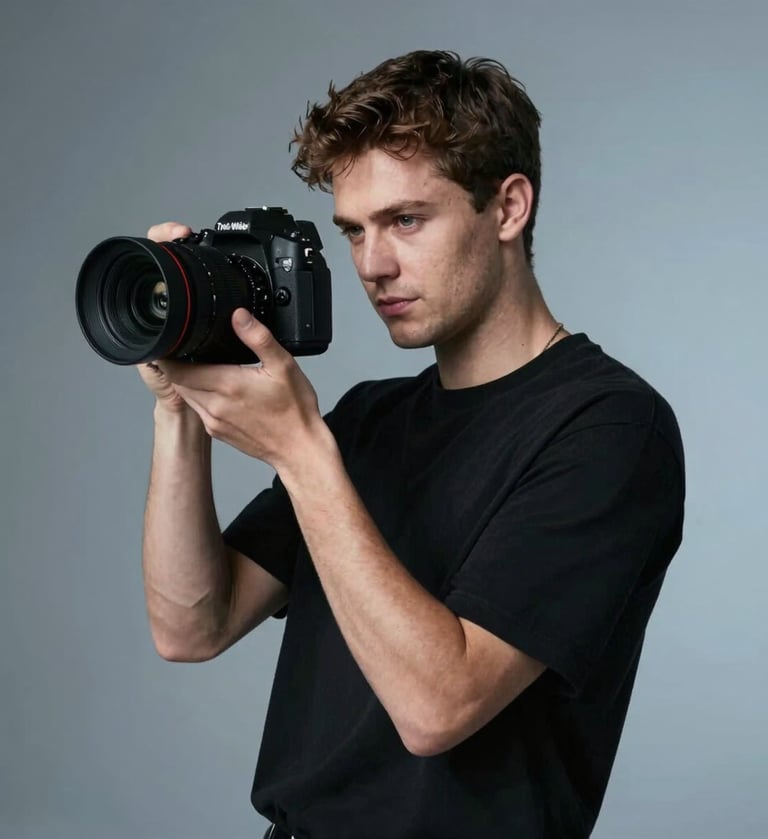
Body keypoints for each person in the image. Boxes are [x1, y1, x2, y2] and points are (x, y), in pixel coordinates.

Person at [139, 50, 685, 839]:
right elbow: (192, 624)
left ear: (508, 208)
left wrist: (299, 450)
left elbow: (439, 706)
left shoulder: (610, 427)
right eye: (353, 231)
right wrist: (177, 408)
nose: (372, 265)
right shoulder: (366, 421)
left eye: (405, 220)